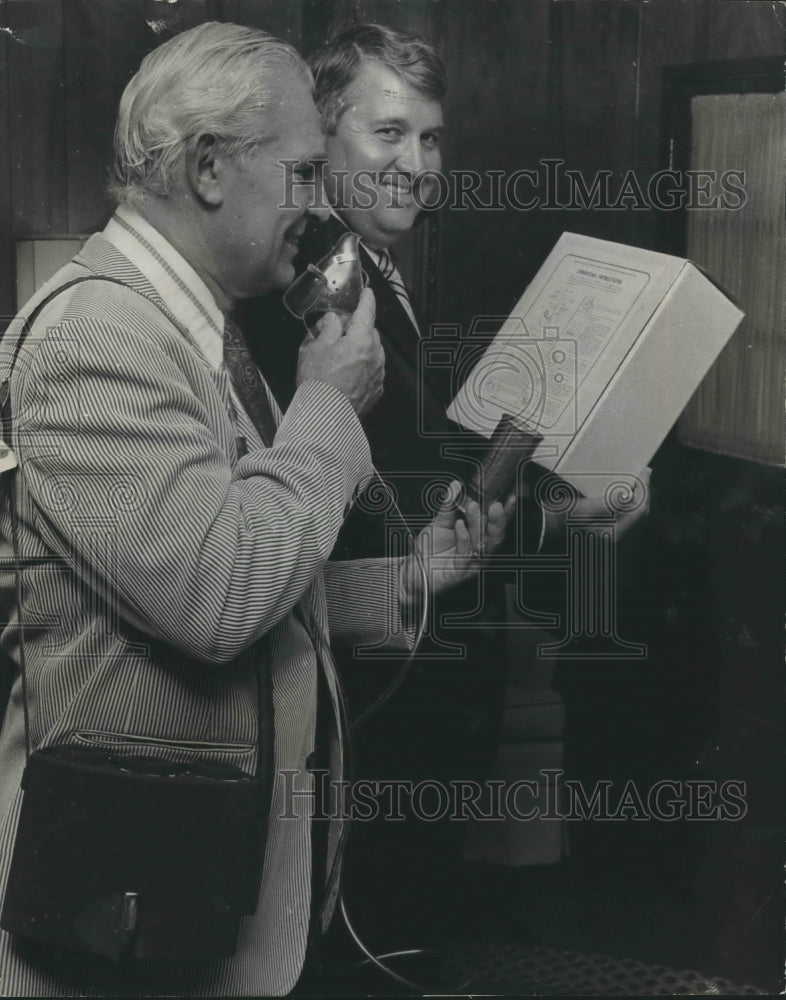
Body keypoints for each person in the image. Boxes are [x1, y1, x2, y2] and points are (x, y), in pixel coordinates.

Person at [0, 22, 511, 998]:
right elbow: (217, 597)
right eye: (305, 172)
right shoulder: (96, 336)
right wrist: (326, 403)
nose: (321, 204)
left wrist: (406, 581)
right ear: (205, 168)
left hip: (187, 900)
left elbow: (250, 567)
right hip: (120, 922)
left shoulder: (191, 326)